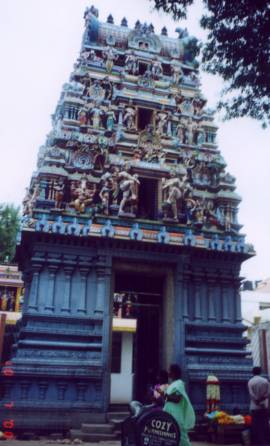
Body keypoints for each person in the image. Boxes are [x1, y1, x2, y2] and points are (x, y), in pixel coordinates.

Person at [164, 364, 195, 446]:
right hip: (170, 413)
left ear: (173, 373)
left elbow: (177, 399)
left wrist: (166, 396)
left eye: (169, 370)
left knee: (180, 435)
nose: (168, 372)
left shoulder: (179, 383)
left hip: (176, 414)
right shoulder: (173, 384)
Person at [248, 366, 270, 445]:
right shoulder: (265, 381)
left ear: (253, 372)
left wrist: (256, 400)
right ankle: (265, 442)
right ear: (260, 372)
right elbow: (268, 393)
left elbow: (251, 394)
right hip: (264, 406)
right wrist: (261, 399)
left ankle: (256, 442)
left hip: (254, 406)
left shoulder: (250, 381)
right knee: (264, 425)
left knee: (255, 426)